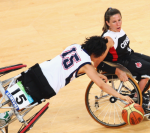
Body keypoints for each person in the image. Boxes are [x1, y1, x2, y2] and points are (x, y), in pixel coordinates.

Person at [0, 36, 134, 126]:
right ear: (97, 54)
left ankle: (5, 109)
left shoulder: (74, 46)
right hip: (48, 86)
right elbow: (102, 86)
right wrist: (121, 96)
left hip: (38, 71)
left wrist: (96, 74)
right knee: (25, 100)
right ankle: (6, 115)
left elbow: (73, 64)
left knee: (9, 90)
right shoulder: (87, 66)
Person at [97, 7, 150, 107]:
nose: (118, 24)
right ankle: (137, 97)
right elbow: (99, 61)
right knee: (148, 69)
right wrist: (115, 70)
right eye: (114, 22)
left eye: (119, 20)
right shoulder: (108, 39)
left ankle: (139, 91)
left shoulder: (118, 30)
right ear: (107, 23)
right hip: (122, 63)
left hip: (130, 55)